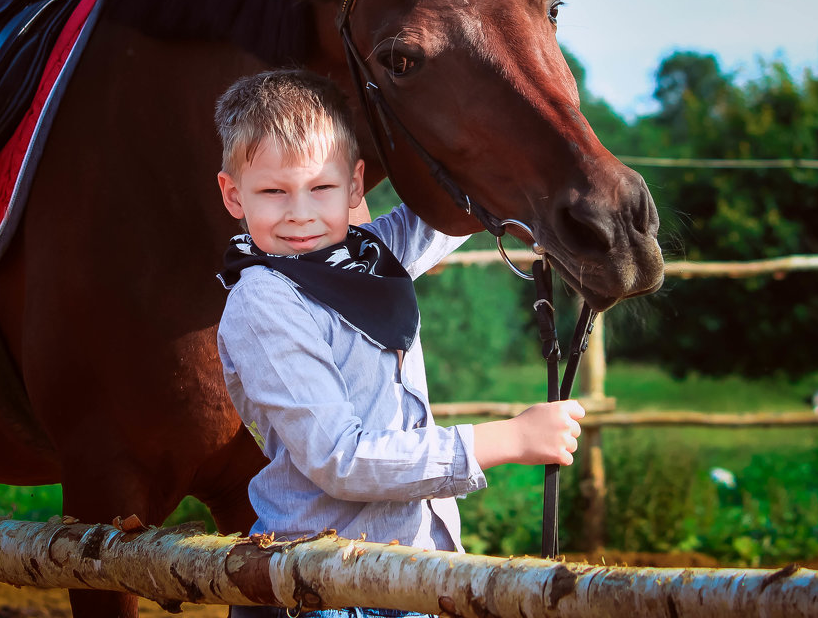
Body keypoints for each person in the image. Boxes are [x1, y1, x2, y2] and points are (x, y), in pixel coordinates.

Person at [214, 69, 584, 618]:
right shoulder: (265, 299)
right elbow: (339, 458)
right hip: (323, 586)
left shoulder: (371, 256)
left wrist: (529, 145)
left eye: (322, 187)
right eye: (273, 191)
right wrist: (509, 439)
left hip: (418, 572)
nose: (300, 213)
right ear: (233, 195)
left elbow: (459, 206)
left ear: (356, 185)